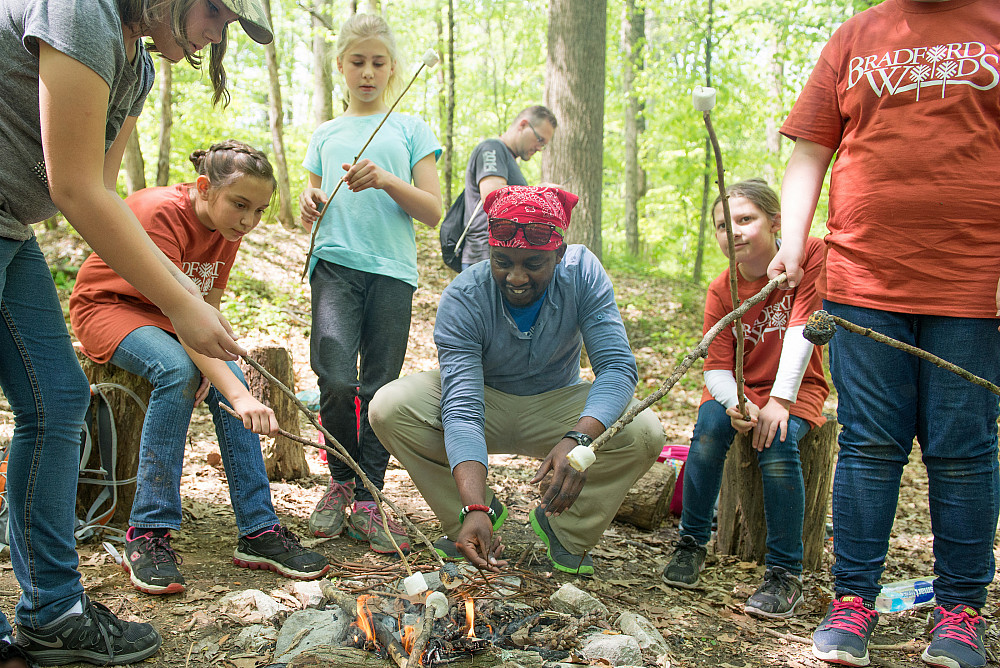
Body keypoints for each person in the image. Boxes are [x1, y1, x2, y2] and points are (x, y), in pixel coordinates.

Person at [0, 0, 273, 665]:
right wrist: (181, 302)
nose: (216, 34)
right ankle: (117, 554)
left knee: (58, 403)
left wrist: (191, 309)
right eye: (213, 13)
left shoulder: (137, 67)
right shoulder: (78, 12)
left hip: (11, 229)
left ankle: (53, 612)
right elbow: (76, 191)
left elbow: (94, 184)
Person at [768, 2, 1000, 666]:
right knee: (870, 447)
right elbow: (811, 150)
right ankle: (854, 606)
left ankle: (959, 614)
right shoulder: (856, 35)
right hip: (864, 281)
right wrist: (792, 245)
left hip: (974, 286)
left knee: (962, 450)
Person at [69, 141, 330, 597]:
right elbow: (181, 310)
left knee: (228, 376)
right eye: (240, 204)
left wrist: (226, 373)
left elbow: (204, 306)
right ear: (205, 187)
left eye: (260, 210)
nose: (248, 220)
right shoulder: (159, 213)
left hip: (174, 318)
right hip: (112, 307)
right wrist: (238, 392)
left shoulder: (227, 231)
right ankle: (148, 532)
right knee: (181, 372)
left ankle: (258, 529)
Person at [369, 185, 664, 577]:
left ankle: (566, 530)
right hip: (485, 401)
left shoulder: (583, 274)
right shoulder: (465, 297)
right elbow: (462, 408)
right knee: (388, 408)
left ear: (558, 254)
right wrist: (473, 504)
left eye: (533, 264)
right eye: (502, 261)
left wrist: (578, 441)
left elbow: (616, 368)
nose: (516, 277)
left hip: (558, 405)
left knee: (644, 431)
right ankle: (473, 519)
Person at [298, 13, 442, 556]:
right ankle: (340, 480)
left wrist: (384, 178)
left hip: (391, 271)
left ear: (392, 69)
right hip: (334, 265)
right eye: (357, 62)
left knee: (378, 387)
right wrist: (311, 203)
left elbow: (432, 210)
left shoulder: (410, 129)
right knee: (334, 377)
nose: (367, 72)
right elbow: (311, 206)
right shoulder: (326, 134)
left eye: (378, 63)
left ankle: (369, 496)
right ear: (340, 67)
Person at [660, 179, 828, 619]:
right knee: (709, 430)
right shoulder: (723, 289)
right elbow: (715, 365)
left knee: (777, 441)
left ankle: (785, 573)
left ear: (776, 223)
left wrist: (779, 401)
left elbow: (803, 331)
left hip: (795, 391)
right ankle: (692, 542)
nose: (730, 231)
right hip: (739, 391)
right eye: (721, 225)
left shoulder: (807, 256)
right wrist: (736, 402)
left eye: (744, 219)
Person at [458, 106, 557, 270]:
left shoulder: (509, 158)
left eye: (544, 145)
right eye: (539, 139)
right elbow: (492, 197)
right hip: (485, 255)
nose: (539, 148)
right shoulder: (492, 148)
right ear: (523, 125)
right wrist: (539, 192)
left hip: (502, 256)